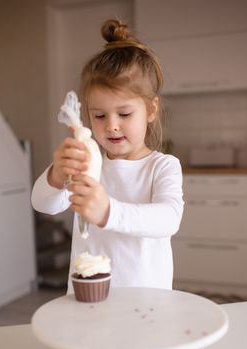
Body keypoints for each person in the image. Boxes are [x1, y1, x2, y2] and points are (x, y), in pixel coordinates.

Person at [31, 18, 184, 292]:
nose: (111, 125)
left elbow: (168, 219)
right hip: (87, 295)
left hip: (146, 299)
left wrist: (108, 212)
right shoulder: (89, 164)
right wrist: (56, 175)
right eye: (99, 115)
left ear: (151, 110)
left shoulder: (162, 166)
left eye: (124, 114)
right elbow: (43, 204)